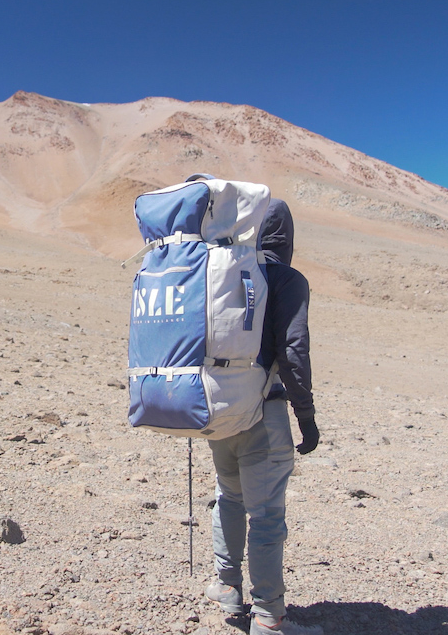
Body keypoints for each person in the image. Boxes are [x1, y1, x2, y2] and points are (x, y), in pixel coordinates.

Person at [203, 198, 323, 635]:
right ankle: (270, 617)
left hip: (222, 410)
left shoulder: (235, 272)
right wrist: (305, 417)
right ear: (288, 240)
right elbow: (293, 351)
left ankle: (227, 586)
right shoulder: (288, 279)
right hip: (264, 416)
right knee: (267, 515)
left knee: (229, 498)